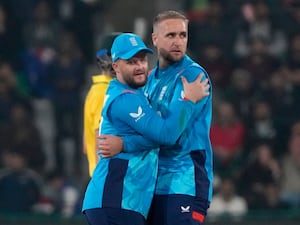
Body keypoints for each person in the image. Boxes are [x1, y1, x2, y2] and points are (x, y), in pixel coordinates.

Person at [82, 32, 210, 225]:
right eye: (132, 62)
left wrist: (125, 143)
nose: (140, 66)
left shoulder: (134, 93)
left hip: (123, 200)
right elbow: (166, 135)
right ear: (115, 66)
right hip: (116, 198)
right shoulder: (126, 99)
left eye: (142, 60)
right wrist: (187, 99)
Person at [83, 32, 120, 177]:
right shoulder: (103, 93)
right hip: (108, 184)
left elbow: (86, 145)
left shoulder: (98, 91)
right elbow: (102, 143)